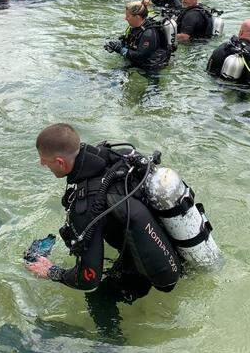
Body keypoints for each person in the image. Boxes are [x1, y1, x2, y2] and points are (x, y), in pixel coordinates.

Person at [26, 123, 180, 341]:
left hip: (153, 268)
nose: (42, 163)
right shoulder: (113, 154)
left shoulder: (86, 205)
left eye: (45, 161)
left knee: (98, 298)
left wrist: (53, 272)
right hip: (170, 234)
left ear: (60, 162)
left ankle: (113, 349)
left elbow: (88, 279)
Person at [103, 1, 171, 69]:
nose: (125, 18)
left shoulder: (148, 34)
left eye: (128, 16)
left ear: (137, 17)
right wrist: (115, 44)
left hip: (150, 67)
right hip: (135, 61)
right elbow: (126, 40)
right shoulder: (134, 26)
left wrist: (120, 49)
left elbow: (141, 56)